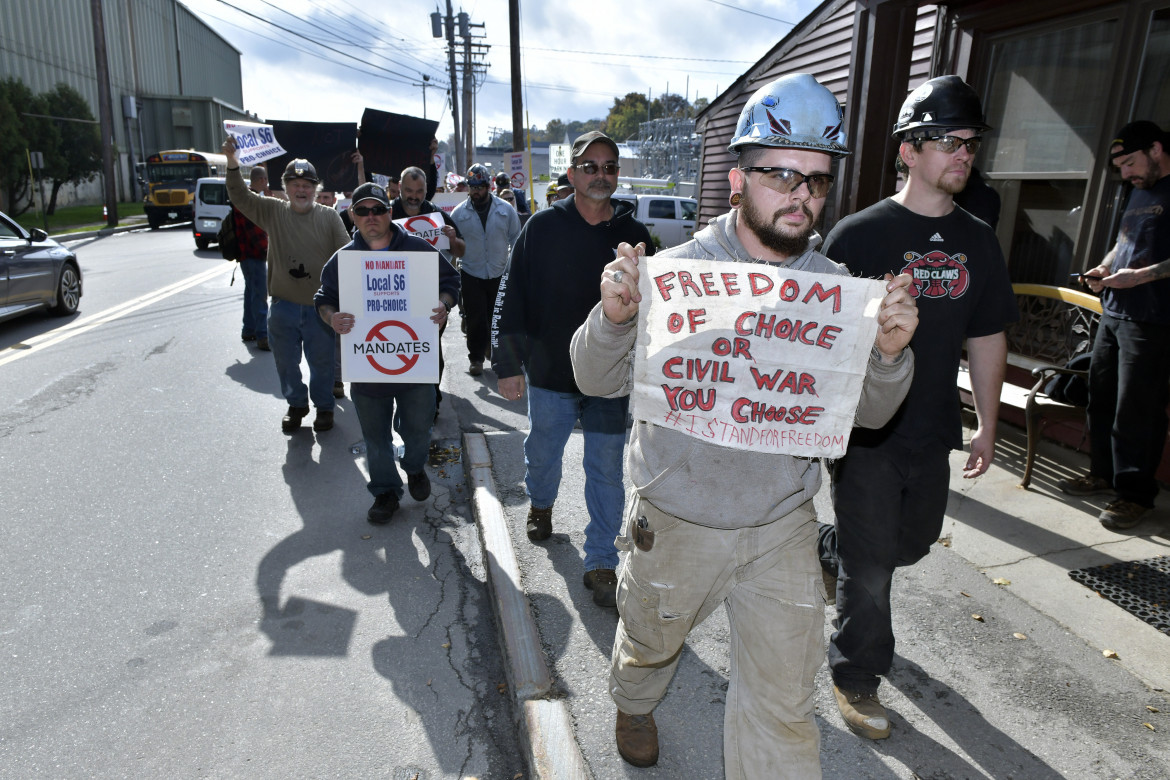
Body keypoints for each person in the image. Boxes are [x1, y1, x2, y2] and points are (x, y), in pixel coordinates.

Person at [569, 74, 918, 776]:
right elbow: (591, 379)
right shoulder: (672, 275)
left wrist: (887, 356)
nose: (802, 196)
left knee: (785, 703)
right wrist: (612, 318)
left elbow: (869, 417)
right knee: (649, 646)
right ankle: (634, 701)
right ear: (738, 178)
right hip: (675, 520)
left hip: (782, 525)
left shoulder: (834, 290)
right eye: (782, 175)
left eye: (817, 181)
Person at [815, 75, 1017, 742]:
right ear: (910, 149)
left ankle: (832, 549)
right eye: (950, 142)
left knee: (910, 543)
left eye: (971, 144)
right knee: (871, 573)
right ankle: (856, 676)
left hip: (933, 428)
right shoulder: (858, 235)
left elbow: (986, 335)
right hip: (866, 433)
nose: (965, 154)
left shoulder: (979, 240)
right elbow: (815, 334)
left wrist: (987, 421)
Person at [492, 130, 655, 612]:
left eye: (609, 167)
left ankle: (601, 561)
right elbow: (510, 295)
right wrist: (507, 363)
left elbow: (655, 311)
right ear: (572, 174)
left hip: (610, 380)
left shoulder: (635, 238)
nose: (600, 175)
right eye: (591, 166)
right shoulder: (541, 228)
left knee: (605, 469)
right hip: (550, 374)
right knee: (544, 453)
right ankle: (540, 503)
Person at [314, 183, 460, 523]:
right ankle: (385, 493)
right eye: (362, 211)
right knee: (375, 436)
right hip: (367, 364)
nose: (371, 217)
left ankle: (414, 466)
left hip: (416, 362)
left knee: (419, 429)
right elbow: (323, 299)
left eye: (377, 209)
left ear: (388, 212)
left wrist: (444, 305)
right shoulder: (343, 260)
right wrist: (332, 317)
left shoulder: (419, 252)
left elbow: (451, 283)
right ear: (352, 215)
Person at [1062, 120, 1170, 529]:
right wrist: (1106, 266)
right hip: (1114, 311)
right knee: (1102, 397)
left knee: (1137, 410)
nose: (1125, 174)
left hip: (1154, 318)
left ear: (1156, 149)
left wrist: (1140, 277)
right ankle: (1103, 474)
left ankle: (1135, 495)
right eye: (1121, 166)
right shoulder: (1138, 190)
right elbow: (1126, 239)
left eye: (1130, 163)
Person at [223, 137, 350, 433]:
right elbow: (240, 196)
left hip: (321, 310)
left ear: (315, 188)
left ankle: (324, 408)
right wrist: (232, 163)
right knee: (285, 364)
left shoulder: (329, 217)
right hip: (283, 308)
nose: (301, 190)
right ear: (285, 187)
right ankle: (296, 404)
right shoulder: (273, 211)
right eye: (295, 184)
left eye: (307, 185)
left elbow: (349, 256)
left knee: (322, 366)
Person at [452, 164, 522, 376]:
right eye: (472, 186)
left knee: (498, 317)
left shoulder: (505, 210)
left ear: (488, 186)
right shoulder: (458, 214)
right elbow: (451, 246)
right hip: (471, 273)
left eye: (480, 186)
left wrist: (514, 266)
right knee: (475, 318)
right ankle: (476, 359)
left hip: (499, 271)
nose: (476, 191)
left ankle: (496, 353)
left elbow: (516, 239)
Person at [234, 166, 273, 351]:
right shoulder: (252, 201)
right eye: (266, 179)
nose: (267, 183)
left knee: (251, 291)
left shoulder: (246, 198)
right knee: (260, 295)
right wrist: (270, 251)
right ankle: (263, 335)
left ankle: (248, 329)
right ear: (261, 180)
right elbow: (256, 231)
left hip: (244, 254)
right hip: (254, 254)